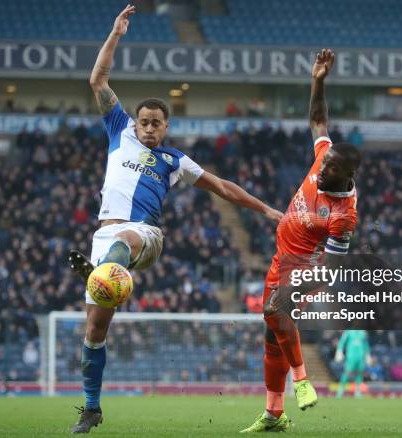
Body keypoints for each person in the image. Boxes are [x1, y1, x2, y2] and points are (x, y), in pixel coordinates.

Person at [67, 5, 283, 433]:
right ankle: (92, 407)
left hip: (143, 236)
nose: (148, 128)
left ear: (165, 127)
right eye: (144, 121)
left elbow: (222, 186)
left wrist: (266, 210)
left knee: (122, 244)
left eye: (156, 123)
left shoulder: (174, 160)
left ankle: (104, 271)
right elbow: (98, 80)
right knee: (94, 331)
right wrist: (116, 34)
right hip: (103, 235)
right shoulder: (119, 130)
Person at [241, 49, 361, 433]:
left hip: (305, 268)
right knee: (270, 332)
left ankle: (303, 379)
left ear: (347, 176)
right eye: (323, 165)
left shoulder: (344, 215)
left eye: (331, 170)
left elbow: (334, 266)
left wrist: (297, 285)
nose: (321, 170)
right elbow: (318, 119)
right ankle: (274, 415)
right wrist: (319, 79)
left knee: (277, 311)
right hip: (280, 258)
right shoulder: (325, 156)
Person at [334, 330, 371, 398]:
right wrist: (339, 351)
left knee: (359, 373)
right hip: (351, 356)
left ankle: (357, 391)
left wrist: (368, 355)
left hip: (361, 356)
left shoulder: (363, 333)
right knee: (347, 372)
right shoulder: (348, 332)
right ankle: (341, 390)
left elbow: (366, 344)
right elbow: (342, 342)